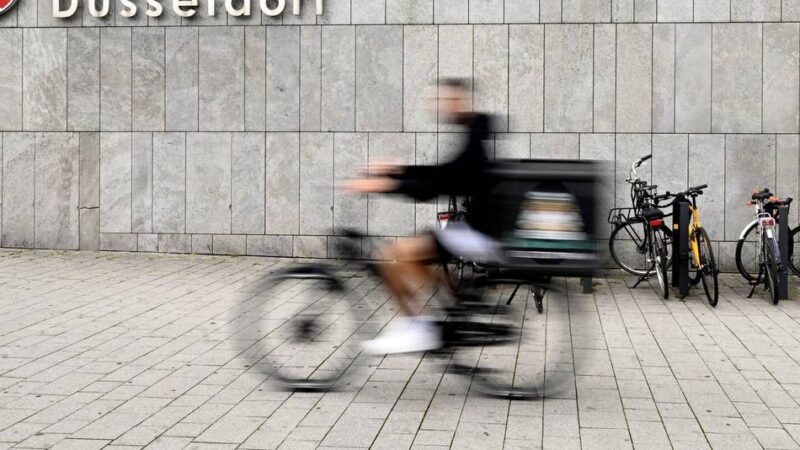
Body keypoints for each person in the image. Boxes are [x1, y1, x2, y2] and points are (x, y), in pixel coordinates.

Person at [344, 78, 502, 355]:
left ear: (463, 101)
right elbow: (445, 172)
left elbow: (446, 183)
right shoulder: (475, 129)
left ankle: (418, 328)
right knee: (404, 258)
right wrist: (397, 171)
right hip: (475, 227)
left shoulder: (475, 134)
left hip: (478, 231)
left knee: (391, 257)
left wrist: (390, 184)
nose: (441, 106)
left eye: (447, 100)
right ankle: (449, 295)